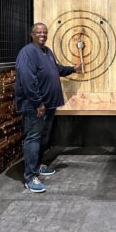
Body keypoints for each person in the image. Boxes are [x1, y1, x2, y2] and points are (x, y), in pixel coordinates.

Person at [15, 23, 82, 193]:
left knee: (43, 138)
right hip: (36, 106)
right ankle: (30, 177)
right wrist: (38, 103)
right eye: (39, 32)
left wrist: (72, 69)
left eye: (44, 32)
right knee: (33, 138)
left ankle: (37, 167)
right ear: (32, 35)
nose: (42, 35)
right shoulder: (27, 53)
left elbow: (56, 69)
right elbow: (27, 80)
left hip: (48, 105)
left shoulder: (47, 52)